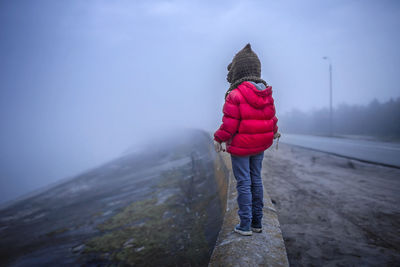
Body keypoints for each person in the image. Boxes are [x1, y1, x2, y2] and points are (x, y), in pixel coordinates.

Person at [213, 43, 280, 236]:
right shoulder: (265, 92)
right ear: (256, 69)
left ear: (238, 71)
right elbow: (271, 117)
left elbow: (229, 125)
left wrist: (218, 138)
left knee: (243, 182)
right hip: (259, 145)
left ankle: (245, 225)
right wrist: (274, 131)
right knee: (256, 180)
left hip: (242, 147)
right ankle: (257, 223)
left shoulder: (234, 95)